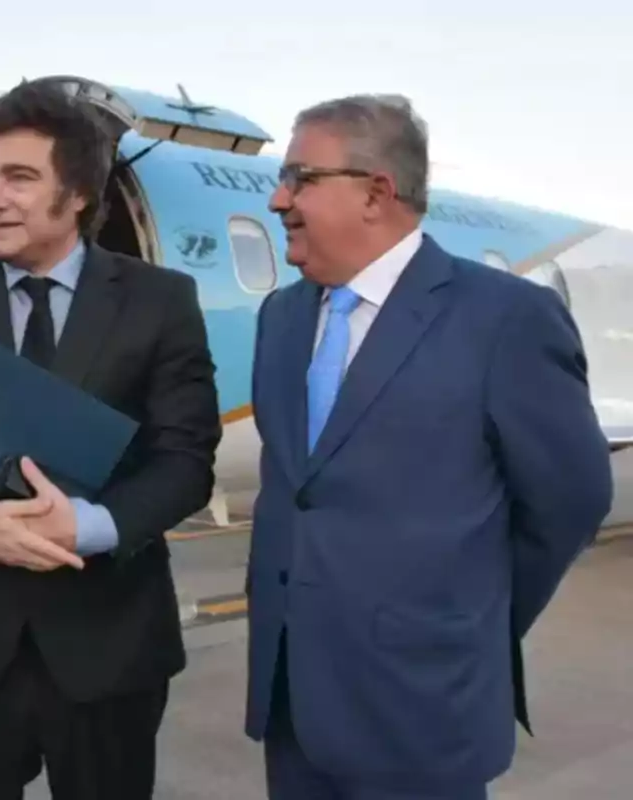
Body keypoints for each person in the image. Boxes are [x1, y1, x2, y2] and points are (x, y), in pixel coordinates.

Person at [244, 93, 614, 799]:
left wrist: (469, 618)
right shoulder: (282, 317)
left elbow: (571, 501)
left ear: (376, 192)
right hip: (293, 703)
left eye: (299, 177)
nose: (277, 197)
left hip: (424, 704)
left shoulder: (504, 318)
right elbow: (300, 488)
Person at [0, 78, 222, 799]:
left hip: (108, 648)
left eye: (20, 179)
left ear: (81, 193)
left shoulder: (160, 303)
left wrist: (86, 526)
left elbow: (185, 461)